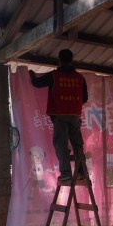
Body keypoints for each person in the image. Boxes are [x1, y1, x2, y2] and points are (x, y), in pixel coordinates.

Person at [29, 48, 88, 181]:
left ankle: (66, 174)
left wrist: (32, 75)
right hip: (75, 116)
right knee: (77, 144)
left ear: (59, 61)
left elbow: (37, 83)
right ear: (71, 60)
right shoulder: (80, 77)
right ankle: (82, 172)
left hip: (60, 115)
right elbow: (84, 98)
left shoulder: (54, 75)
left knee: (61, 143)